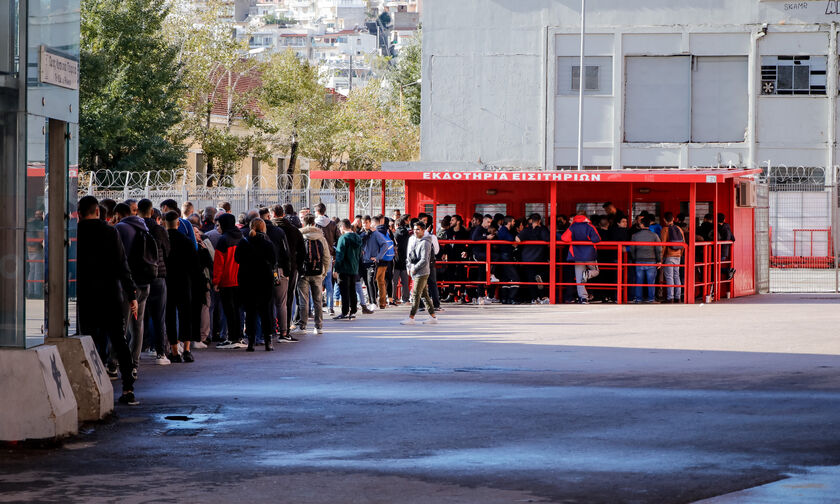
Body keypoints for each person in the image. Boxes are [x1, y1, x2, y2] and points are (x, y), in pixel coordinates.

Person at [77, 196, 140, 405]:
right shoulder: (110, 232)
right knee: (119, 341)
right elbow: (123, 266)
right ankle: (128, 388)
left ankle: (91, 388)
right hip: (111, 294)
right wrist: (131, 296)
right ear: (97, 211)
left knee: (89, 339)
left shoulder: (75, 234)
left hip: (86, 295)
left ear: (79, 213)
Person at [114, 203, 156, 370]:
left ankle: (115, 362)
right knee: (138, 324)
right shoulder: (143, 226)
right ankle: (134, 363)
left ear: (118, 214)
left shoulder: (120, 228)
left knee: (122, 324)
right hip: (144, 280)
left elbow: (117, 257)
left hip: (128, 283)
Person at [162, 211, 201, 361]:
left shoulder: (163, 240)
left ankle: (174, 351)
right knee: (186, 315)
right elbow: (195, 266)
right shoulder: (186, 241)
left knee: (170, 316)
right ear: (178, 223)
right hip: (185, 282)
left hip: (168, 282)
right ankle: (187, 349)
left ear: (165, 223)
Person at [235, 218, 278, 351]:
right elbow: (273, 260)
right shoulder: (267, 242)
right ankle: (268, 341)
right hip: (265, 280)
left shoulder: (244, 242)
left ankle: (251, 342)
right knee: (266, 311)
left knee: (251, 312)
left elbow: (237, 259)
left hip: (247, 280)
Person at [138, 200, 171, 365]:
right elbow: (167, 251)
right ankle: (160, 353)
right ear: (152, 212)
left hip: (138, 277)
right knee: (159, 316)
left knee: (137, 318)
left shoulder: (135, 228)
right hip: (158, 275)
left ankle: (137, 351)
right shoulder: (159, 229)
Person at [213, 213, 246, 349]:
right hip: (240, 279)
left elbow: (219, 263)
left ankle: (232, 338)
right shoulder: (242, 237)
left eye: (219, 225)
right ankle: (238, 337)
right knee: (238, 311)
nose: (217, 227)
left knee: (229, 311)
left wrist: (216, 281)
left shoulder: (223, 240)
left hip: (227, 280)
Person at [273, 205, 305, 339]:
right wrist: (297, 265)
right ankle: (285, 328)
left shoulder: (272, 230)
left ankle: (272, 327)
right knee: (288, 298)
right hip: (291, 268)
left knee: (272, 298)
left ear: (273, 214)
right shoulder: (294, 230)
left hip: (274, 267)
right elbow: (302, 251)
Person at [297, 215, 332, 335]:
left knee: (304, 300)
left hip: (303, 272)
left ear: (304, 223)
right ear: (313, 223)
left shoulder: (300, 236)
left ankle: (303, 326)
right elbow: (327, 256)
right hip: (317, 272)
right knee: (318, 300)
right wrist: (324, 271)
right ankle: (319, 326)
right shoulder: (321, 237)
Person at [260, 208, 291, 342]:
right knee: (281, 302)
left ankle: (268, 331)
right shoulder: (278, 231)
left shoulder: (255, 233)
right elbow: (286, 252)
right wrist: (287, 271)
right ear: (268, 216)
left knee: (266, 302)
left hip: (262, 271)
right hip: (278, 270)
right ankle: (283, 332)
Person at [401, 221, 438, 325]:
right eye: (414, 229)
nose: (415, 231)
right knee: (424, 295)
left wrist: (414, 268)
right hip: (419, 271)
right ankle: (433, 316)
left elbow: (424, 260)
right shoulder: (418, 240)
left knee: (416, 294)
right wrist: (410, 266)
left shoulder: (425, 242)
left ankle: (411, 317)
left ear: (423, 230)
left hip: (421, 272)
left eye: (418, 229)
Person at [561, 211, 601, 304]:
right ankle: (587, 274)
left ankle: (583, 298)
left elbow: (564, 238)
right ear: (586, 217)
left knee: (579, 278)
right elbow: (597, 239)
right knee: (596, 271)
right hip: (589, 254)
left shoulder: (572, 226)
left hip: (577, 255)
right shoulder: (590, 226)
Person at [517, 213, 550, 304]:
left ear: (531, 220)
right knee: (542, 276)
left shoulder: (527, 230)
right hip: (539, 258)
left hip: (527, 258)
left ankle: (534, 298)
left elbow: (517, 239)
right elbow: (548, 241)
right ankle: (543, 297)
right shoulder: (543, 229)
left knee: (530, 279)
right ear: (539, 221)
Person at [334, 219, 362, 320]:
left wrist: (336, 268)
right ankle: (353, 311)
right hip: (354, 267)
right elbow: (359, 254)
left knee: (344, 291)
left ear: (342, 227)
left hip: (344, 268)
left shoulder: (343, 238)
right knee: (352, 290)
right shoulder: (358, 237)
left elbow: (339, 254)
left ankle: (344, 311)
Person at [630, 216, 661, 304]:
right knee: (651, 281)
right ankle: (651, 299)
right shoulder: (654, 236)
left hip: (639, 260)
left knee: (639, 281)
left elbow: (632, 249)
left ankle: (638, 299)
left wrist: (634, 258)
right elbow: (658, 249)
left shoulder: (635, 236)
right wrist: (659, 260)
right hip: (651, 260)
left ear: (641, 224)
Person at [314, 203, 338, 315]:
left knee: (318, 282)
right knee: (329, 282)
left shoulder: (315, 224)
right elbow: (338, 238)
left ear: (317, 211)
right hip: (329, 255)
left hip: (318, 255)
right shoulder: (332, 224)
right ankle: (330, 307)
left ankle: (316, 307)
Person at [370, 215, 395, 309]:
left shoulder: (376, 232)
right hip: (386, 260)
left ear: (374, 223)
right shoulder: (386, 231)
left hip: (378, 260)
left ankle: (373, 301)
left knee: (372, 281)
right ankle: (382, 303)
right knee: (381, 282)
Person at [660, 212, 685, 303]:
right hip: (678, 255)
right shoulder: (679, 228)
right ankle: (677, 297)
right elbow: (683, 243)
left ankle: (670, 297)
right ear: (673, 219)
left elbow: (663, 245)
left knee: (669, 277)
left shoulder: (665, 230)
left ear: (664, 220)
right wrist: (680, 254)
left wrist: (661, 258)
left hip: (669, 256)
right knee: (676, 276)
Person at [495, 216, 520, 304]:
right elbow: (512, 240)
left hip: (505, 256)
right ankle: (511, 299)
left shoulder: (503, 230)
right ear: (509, 222)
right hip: (506, 256)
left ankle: (504, 299)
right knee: (515, 278)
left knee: (505, 278)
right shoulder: (504, 231)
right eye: (513, 221)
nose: (514, 223)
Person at [392, 215, 412, 304]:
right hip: (405, 259)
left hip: (396, 260)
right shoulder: (408, 234)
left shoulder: (395, 234)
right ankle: (405, 298)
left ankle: (393, 298)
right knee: (405, 281)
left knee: (394, 281)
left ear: (397, 225)